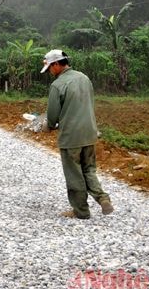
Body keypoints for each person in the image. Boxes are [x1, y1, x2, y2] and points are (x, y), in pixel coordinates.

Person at [41, 49, 114, 219]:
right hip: (89, 133)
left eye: (50, 68)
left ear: (57, 64)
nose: (50, 72)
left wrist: (48, 126)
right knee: (89, 170)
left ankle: (81, 210)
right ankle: (103, 198)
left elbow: (52, 115)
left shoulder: (58, 85)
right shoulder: (84, 78)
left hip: (71, 137)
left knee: (74, 174)